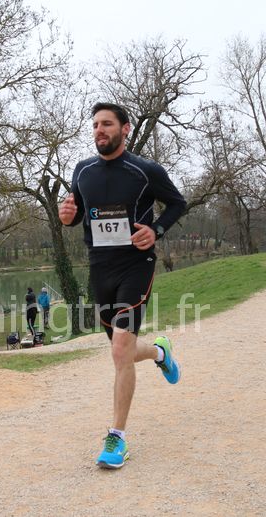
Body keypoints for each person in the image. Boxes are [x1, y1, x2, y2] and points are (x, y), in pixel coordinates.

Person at [58, 102, 186, 469]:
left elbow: (177, 203)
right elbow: (78, 213)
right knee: (123, 351)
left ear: (125, 128)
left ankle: (117, 438)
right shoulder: (82, 171)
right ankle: (160, 353)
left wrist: (156, 230)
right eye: (95, 125)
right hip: (100, 268)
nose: (99, 130)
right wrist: (67, 217)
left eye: (107, 124)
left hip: (135, 265)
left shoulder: (145, 171)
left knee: (119, 350)